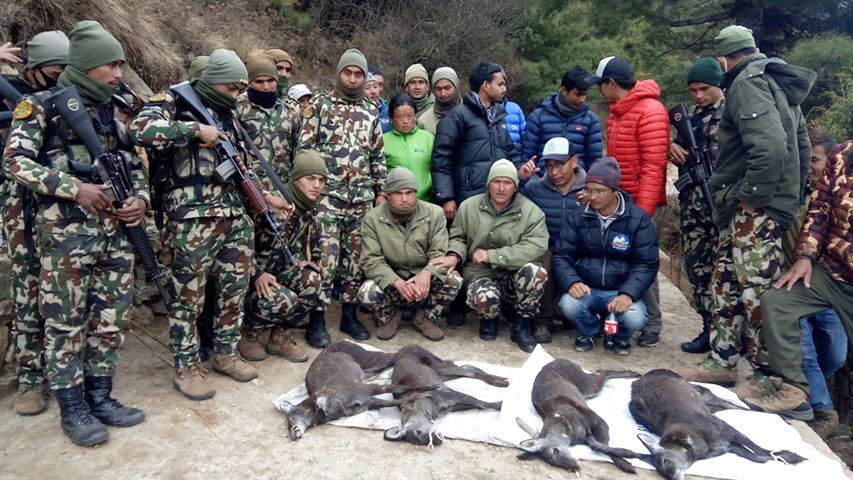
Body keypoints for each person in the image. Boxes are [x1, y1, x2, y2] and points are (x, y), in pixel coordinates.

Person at [4, 20, 146, 446]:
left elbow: (133, 164)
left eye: (120, 65)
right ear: (85, 66)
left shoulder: (114, 108)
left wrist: (140, 199)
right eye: (111, 65)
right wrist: (74, 188)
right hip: (66, 237)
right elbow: (15, 162)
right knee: (65, 324)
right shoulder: (40, 106)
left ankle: (100, 397)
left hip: (115, 233)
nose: (119, 74)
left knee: (112, 319)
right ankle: (74, 408)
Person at [132, 49, 290, 400]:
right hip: (192, 219)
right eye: (232, 88)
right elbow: (139, 130)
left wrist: (267, 197)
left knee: (233, 290)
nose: (237, 95)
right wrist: (193, 130)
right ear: (213, 81)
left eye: (240, 89)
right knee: (187, 298)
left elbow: (241, 167)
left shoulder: (228, 115)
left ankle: (226, 354)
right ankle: (187, 367)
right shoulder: (173, 101)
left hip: (234, 216)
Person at [675, 26, 816, 402]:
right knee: (725, 281)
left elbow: (770, 149)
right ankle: (722, 359)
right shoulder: (776, 83)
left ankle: (767, 374)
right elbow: (801, 146)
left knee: (756, 290)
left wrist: (754, 199)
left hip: (753, 208)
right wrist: (790, 195)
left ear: (723, 60)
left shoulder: (748, 84)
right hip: (749, 207)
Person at [756, 141, 853, 426]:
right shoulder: (841, 155)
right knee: (777, 303)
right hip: (830, 271)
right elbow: (819, 209)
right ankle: (796, 392)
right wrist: (805, 256)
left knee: (835, 354)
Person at [0, 30, 68, 416]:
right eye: (56, 71)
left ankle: (67, 372)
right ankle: (30, 378)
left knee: (64, 289)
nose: (61, 78)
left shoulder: (69, 95)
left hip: (60, 201)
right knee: (27, 286)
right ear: (35, 69)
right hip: (19, 202)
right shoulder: (9, 90)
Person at [299, 48, 386, 345]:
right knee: (326, 257)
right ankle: (317, 319)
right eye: (347, 72)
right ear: (339, 74)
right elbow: (305, 149)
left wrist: (380, 191)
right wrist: (307, 189)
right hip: (327, 197)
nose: (352, 79)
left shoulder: (371, 111)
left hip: (361, 198)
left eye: (358, 74)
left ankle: (349, 315)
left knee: (355, 260)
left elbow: (377, 155)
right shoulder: (320, 105)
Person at [585, 55, 669, 347]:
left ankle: (653, 322)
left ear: (611, 83)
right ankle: (620, 316)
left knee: (643, 260)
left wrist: (642, 214)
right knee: (618, 256)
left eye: (600, 85)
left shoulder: (651, 111)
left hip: (643, 203)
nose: (599, 90)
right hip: (620, 200)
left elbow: (654, 167)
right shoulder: (617, 114)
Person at [432, 160, 548, 352]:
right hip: (479, 272)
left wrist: (493, 256)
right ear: (488, 184)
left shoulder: (531, 212)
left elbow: (535, 246)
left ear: (515, 186)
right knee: (484, 298)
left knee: (536, 272)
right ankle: (489, 318)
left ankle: (522, 324)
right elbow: (458, 237)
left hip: (513, 272)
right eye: (497, 182)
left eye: (507, 182)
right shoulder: (469, 206)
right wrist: (454, 255)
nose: (501, 188)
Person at [553, 158, 659, 356]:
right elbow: (562, 255)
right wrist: (572, 281)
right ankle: (590, 331)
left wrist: (628, 294)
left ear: (614, 191)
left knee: (635, 317)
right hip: (588, 288)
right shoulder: (577, 216)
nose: (593, 197)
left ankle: (621, 336)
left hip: (620, 289)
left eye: (600, 191)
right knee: (568, 304)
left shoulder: (638, 219)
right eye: (589, 190)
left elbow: (646, 263)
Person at [242, 150, 331, 363]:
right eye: (310, 178)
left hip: (275, 274)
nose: (316, 185)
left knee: (312, 281)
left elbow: (293, 242)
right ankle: (248, 334)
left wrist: (298, 260)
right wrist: (256, 273)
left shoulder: (306, 208)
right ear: (295, 179)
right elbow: (236, 245)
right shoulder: (268, 204)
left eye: (321, 180)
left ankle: (280, 337)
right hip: (245, 278)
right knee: (284, 300)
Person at [359, 168, 462, 341]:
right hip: (393, 282)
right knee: (366, 291)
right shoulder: (372, 218)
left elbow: (438, 251)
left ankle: (426, 317)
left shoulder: (435, 213)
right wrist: (396, 282)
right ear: (388, 195)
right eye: (398, 193)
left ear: (416, 192)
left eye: (409, 192)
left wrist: (427, 272)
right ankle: (389, 317)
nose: (405, 199)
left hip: (424, 282)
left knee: (454, 279)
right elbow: (371, 260)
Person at [670, 57, 725, 354]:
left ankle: (728, 334)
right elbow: (677, 145)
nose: (698, 95)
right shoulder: (689, 116)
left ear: (718, 84)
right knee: (697, 270)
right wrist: (672, 147)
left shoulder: (732, 113)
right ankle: (707, 328)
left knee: (725, 274)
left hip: (722, 205)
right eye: (693, 90)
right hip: (693, 206)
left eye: (704, 89)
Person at [431, 61, 522, 222]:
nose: (504, 89)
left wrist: (521, 171)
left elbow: (510, 152)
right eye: (500, 84)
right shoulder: (456, 117)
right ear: (486, 85)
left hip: (498, 199)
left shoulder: (498, 118)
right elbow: (441, 160)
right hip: (469, 200)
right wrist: (446, 197)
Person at [518, 137, 586, 343]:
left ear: (574, 161)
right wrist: (521, 180)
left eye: (559, 165)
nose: (554, 172)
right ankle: (542, 319)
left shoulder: (589, 189)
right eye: (549, 166)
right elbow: (512, 200)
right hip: (546, 245)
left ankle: (575, 314)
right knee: (544, 261)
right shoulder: (535, 188)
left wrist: (591, 202)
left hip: (578, 248)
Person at [522, 66, 602, 172]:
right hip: (543, 178)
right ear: (564, 90)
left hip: (578, 180)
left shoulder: (590, 120)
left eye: (584, 95)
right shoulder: (538, 117)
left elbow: (595, 160)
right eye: (577, 95)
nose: (582, 100)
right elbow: (527, 157)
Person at [383, 94, 435, 201]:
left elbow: (438, 168)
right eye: (399, 117)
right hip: (397, 201)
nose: (405, 121)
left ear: (415, 116)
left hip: (427, 200)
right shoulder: (383, 141)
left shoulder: (428, 138)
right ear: (391, 118)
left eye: (410, 116)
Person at [417, 67, 461, 134]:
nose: (443, 94)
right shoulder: (423, 121)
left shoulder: (471, 113)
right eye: (438, 89)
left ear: (456, 86)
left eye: (447, 88)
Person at [365, 65, 390, 133]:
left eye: (380, 85)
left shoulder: (390, 110)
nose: (374, 91)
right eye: (368, 87)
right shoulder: (355, 110)